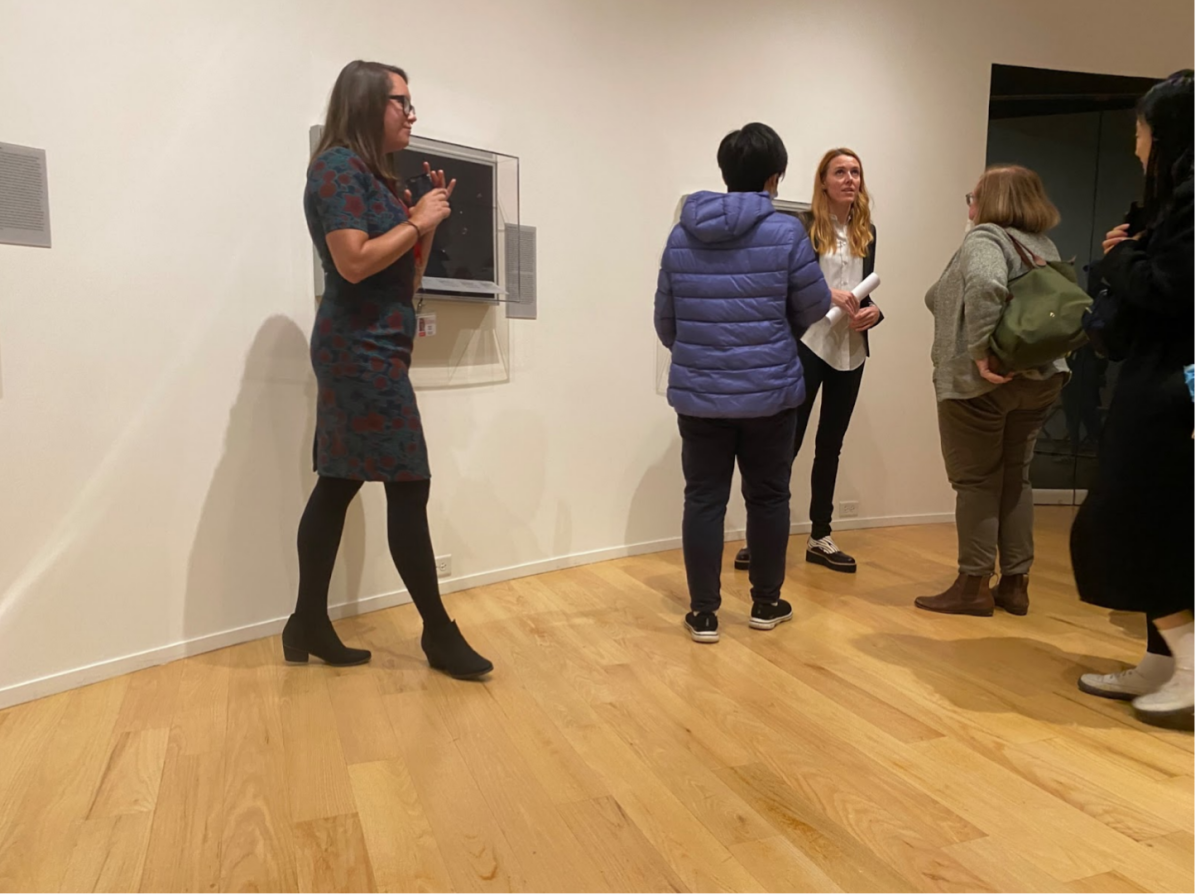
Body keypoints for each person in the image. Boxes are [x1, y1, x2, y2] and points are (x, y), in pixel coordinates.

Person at [288, 60, 492, 679]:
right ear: (366, 104)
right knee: (408, 484)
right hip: (358, 352)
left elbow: (402, 271)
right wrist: (415, 219)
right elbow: (351, 263)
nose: (411, 112)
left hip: (375, 347)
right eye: (400, 101)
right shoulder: (337, 169)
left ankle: (307, 622)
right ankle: (437, 632)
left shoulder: (373, 177)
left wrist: (426, 222)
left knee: (340, 481)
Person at [655, 123, 831, 643]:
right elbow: (815, 307)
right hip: (770, 394)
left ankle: (704, 613)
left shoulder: (681, 232)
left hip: (700, 395)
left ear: (725, 173)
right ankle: (766, 603)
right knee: (770, 496)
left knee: (704, 499)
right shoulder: (786, 233)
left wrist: (701, 356)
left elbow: (666, 322)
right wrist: (775, 341)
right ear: (774, 177)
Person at [1072, 71, 1194, 730]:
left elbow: (1177, 290)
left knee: (1125, 521)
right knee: (1158, 519)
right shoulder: (1173, 200)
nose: (1136, 143)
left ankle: (1191, 661)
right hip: (1158, 375)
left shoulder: (1192, 201)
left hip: (1175, 384)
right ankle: (1160, 660)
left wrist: (1122, 258)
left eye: (1142, 129)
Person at [916, 165, 1068, 617]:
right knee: (1015, 478)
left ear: (991, 200)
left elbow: (985, 285)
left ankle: (972, 586)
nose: (969, 203)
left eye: (973, 195)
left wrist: (981, 353)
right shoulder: (1042, 245)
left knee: (976, 481)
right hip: (1040, 380)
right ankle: (1015, 584)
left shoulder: (985, 239)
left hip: (978, 385)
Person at [734, 148, 881, 575]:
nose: (850, 179)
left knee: (830, 446)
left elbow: (864, 290)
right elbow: (783, 286)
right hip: (809, 344)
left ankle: (821, 536)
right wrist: (823, 294)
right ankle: (760, 536)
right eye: (840, 172)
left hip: (850, 349)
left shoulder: (867, 231)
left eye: (856, 172)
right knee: (786, 444)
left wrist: (875, 312)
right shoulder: (803, 228)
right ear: (823, 181)